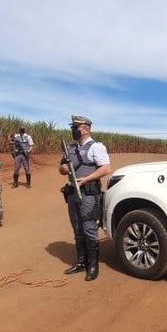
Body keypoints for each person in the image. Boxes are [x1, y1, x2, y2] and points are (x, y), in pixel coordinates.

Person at [59, 115, 111, 281]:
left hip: (88, 194)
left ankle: (93, 265)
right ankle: (81, 262)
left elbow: (106, 168)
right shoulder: (70, 148)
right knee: (77, 227)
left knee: (89, 227)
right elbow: (61, 169)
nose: (73, 130)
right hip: (73, 194)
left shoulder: (96, 147)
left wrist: (87, 179)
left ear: (86, 129)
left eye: (76, 127)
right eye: (72, 127)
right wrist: (65, 167)